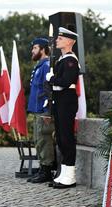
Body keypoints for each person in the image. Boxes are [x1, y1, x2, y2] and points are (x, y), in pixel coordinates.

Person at [46, 27, 80, 189]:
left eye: (61, 38)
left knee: (66, 137)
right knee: (60, 137)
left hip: (67, 100)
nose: (57, 40)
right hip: (60, 100)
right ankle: (64, 173)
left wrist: (52, 78)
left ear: (69, 41)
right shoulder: (62, 60)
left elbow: (67, 81)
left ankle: (70, 175)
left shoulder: (71, 60)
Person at [26, 37, 55, 184]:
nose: (32, 50)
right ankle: (43, 168)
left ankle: (47, 170)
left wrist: (47, 111)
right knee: (38, 140)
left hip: (43, 110)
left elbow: (48, 90)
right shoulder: (39, 65)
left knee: (44, 140)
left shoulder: (46, 66)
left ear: (43, 49)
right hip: (37, 109)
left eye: (35, 48)